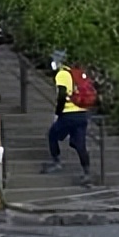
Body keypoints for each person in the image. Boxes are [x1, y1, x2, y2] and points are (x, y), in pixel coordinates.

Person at [40, 50, 91, 186]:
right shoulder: (75, 73)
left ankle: (56, 162)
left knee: (52, 135)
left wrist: (58, 113)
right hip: (82, 113)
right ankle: (86, 172)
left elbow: (62, 95)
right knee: (80, 144)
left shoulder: (62, 74)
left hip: (68, 114)